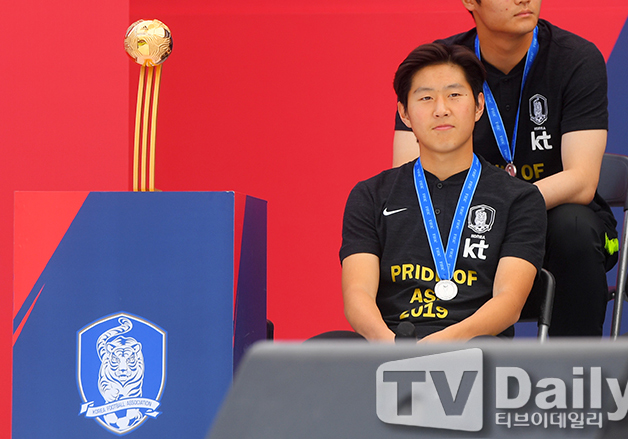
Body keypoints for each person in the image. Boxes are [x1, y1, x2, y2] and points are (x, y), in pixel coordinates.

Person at [392, 0, 618, 337]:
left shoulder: (576, 59)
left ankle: (575, 367)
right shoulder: (439, 69)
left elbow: (581, 181)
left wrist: (503, 207)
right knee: (419, 226)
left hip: (555, 231)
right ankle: (460, 361)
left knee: (573, 226)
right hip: (466, 230)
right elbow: (409, 177)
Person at [340, 43, 546, 342]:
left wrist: (437, 347)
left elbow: (509, 302)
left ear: (478, 106)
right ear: (404, 114)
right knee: (325, 347)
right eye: (426, 98)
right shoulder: (370, 195)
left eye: (454, 95)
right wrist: (391, 347)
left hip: (474, 344)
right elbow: (357, 294)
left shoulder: (520, 198)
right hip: (389, 343)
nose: (441, 110)